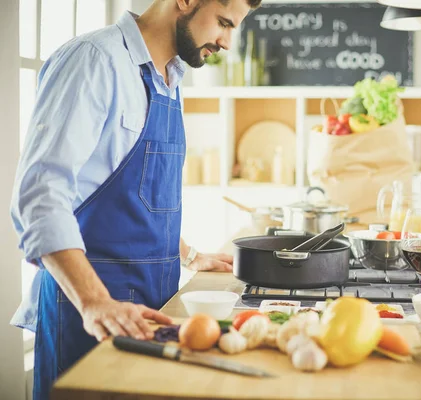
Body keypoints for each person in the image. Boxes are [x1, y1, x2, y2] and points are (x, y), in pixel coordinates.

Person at [9, 0, 261, 399]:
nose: (227, 42)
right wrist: (95, 303)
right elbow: (39, 194)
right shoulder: (94, 61)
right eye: (224, 23)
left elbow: (133, 196)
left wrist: (188, 253)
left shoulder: (170, 78)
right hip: (89, 315)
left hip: (151, 309)